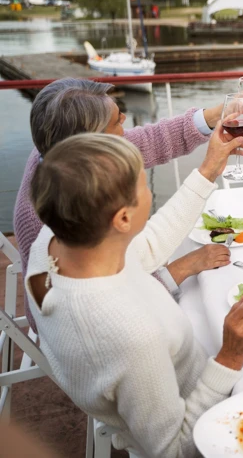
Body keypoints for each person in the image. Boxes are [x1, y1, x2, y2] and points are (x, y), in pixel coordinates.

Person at [25, 132, 243, 457]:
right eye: (143, 185)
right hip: (213, 411)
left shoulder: (52, 242)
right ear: (123, 219)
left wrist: (209, 168)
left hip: (185, 367)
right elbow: (174, 450)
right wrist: (231, 358)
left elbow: (148, 244)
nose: (150, 192)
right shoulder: (131, 335)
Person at [14, 78, 230, 331]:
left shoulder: (58, 155)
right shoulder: (52, 219)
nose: (126, 120)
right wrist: (179, 270)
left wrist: (211, 118)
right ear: (93, 143)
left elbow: (146, 141)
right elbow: (112, 303)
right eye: (117, 121)